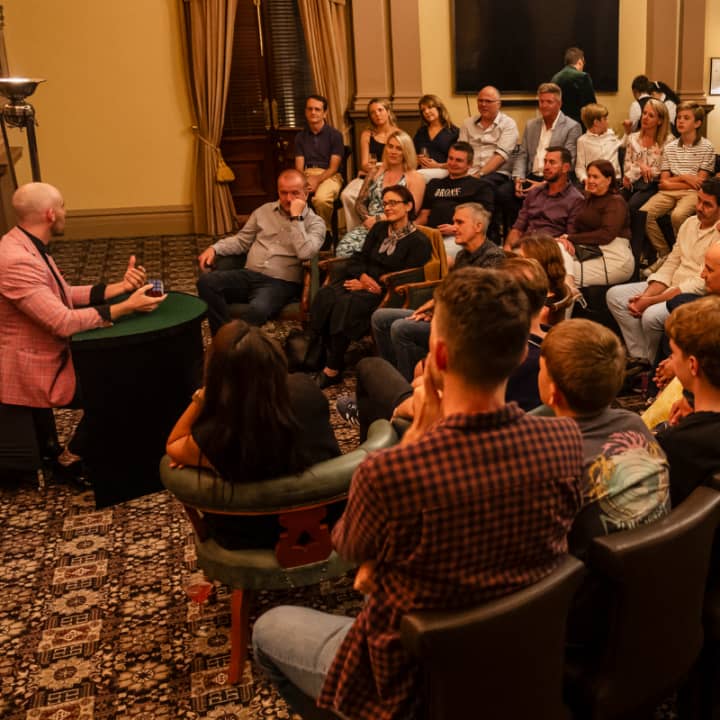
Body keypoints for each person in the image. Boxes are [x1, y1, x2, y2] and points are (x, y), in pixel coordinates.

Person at [252, 268, 584, 720]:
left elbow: (348, 547)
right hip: (519, 660)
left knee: (268, 630)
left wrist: (419, 436)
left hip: (409, 682)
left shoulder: (390, 473)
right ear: (520, 352)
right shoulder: (564, 440)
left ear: (439, 355)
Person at [0, 182, 165, 474]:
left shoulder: (25, 243)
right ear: (51, 214)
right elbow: (62, 321)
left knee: (124, 368)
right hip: (32, 367)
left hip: (50, 352)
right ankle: (72, 456)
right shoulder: (16, 260)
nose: (66, 212)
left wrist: (120, 288)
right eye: (63, 206)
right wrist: (128, 306)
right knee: (121, 383)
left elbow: (62, 294)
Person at [166, 319, 340, 549]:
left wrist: (202, 396)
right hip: (325, 519)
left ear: (216, 374)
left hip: (253, 537)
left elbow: (174, 444)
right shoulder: (307, 389)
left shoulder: (215, 434)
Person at [538, 319, 670, 559]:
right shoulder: (634, 423)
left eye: (541, 369)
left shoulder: (553, 458)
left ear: (553, 392)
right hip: (662, 561)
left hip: (592, 575)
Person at [308, 185, 431, 388]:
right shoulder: (379, 229)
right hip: (362, 280)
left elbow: (406, 277)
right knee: (327, 294)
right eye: (385, 203)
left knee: (346, 304)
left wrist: (371, 285)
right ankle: (317, 354)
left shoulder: (419, 241)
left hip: (385, 291)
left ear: (409, 206)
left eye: (393, 203)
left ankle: (332, 368)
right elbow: (360, 257)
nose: (387, 208)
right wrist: (363, 277)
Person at [372, 201, 505, 381]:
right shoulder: (462, 255)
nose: (454, 227)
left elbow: (478, 302)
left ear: (478, 227)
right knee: (380, 317)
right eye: (454, 222)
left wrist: (439, 311)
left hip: (466, 326)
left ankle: (408, 386)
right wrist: (434, 308)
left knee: (400, 327)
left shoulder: (493, 257)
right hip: (447, 315)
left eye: (459, 222)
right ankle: (392, 377)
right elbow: (451, 290)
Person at [606, 179, 720, 365]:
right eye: (699, 200)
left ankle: (653, 364)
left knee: (651, 315)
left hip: (693, 295)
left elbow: (700, 284)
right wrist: (646, 295)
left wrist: (651, 300)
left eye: (707, 204)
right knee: (615, 296)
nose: (699, 207)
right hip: (671, 283)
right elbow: (671, 262)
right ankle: (642, 356)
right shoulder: (689, 223)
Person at [196, 169, 325, 334]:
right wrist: (215, 248)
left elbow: (305, 253)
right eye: (283, 193)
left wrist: (296, 219)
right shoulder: (263, 211)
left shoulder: (315, 223)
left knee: (258, 309)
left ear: (306, 193)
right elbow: (241, 241)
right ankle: (223, 338)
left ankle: (231, 341)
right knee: (206, 282)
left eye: (295, 193)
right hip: (249, 274)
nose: (289, 199)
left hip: (280, 283)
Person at [657, 295, 720, 505]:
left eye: (673, 354)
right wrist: (692, 400)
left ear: (693, 365)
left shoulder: (676, 443)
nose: (671, 362)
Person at [639, 102, 715, 265]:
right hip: (670, 192)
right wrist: (686, 178)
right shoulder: (670, 147)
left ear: (697, 123)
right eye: (679, 117)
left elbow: (700, 183)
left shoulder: (707, 147)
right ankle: (665, 253)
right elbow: (663, 183)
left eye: (686, 118)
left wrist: (674, 181)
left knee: (677, 215)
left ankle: (685, 253)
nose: (680, 121)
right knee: (644, 213)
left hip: (692, 193)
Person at [335, 130, 424, 257]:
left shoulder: (415, 177)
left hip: (394, 229)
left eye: (399, 148)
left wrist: (379, 219)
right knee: (343, 249)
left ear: (406, 152)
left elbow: (411, 211)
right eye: (390, 146)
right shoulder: (375, 171)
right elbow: (360, 202)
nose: (393, 151)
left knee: (369, 255)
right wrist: (368, 219)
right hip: (369, 225)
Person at [557, 159, 635, 288]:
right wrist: (566, 240)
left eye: (595, 177)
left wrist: (571, 238)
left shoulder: (616, 202)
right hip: (590, 251)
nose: (590, 180)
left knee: (557, 274)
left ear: (608, 180)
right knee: (553, 254)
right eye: (589, 176)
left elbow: (606, 235)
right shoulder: (588, 199)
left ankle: (569, 297)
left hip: (614, 258)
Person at [415, 141, 495, 259]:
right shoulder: (434, 184)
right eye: (450, 158)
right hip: (431, 234)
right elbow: (424, 215)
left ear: (470, 164)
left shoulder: (480, 187)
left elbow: (484, 219)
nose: (453, 163)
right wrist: (411, 228)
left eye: (459, 160)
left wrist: (456, 228)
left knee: (438, 257)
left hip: (459, 236)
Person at [458, 85, 519, 231]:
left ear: (498, 104)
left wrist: (479, 174)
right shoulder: (468, 123)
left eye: (488, 101)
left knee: (481, 186)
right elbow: (461, 151)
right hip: (469, 171)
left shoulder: (508, 124)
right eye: (480, 101)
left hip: (497, 173)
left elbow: (501, 156)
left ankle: (488, 231)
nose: (483, 104)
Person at [620, 98, 673, 264]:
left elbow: (661, 170)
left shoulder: (668, 141)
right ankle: (623, 250)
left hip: (654, 185)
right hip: (633, 183)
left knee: (633, 206)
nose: (645, 118)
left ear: (660, 120)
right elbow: (627, 166)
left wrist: (641, 169)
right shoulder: (633, 138)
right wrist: (641, 168)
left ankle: (638, 252)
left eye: (651, 115)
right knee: (618, 203)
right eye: (644, 113)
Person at [505, 146, 584, 250]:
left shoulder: (576, 200)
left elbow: (570, 237)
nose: (546, 167)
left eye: (552, 162)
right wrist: (508, 248)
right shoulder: (534, 193)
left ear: (565, 167)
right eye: (545, 161)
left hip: (551, 249)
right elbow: (518, 228)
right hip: (525, 245)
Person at [512, 83, 582, 196]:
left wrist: (544, 184)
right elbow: (522, 155)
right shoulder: (531, 125)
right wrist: (518, 179)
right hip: (530, 176)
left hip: (553, 180)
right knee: (504, 194)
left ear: (559, 104)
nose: (544, 105)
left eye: (549, 102)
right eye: (541, 101)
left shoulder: (572, 127)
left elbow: (568, 162)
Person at [341, 98, 398, 232]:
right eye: (373, 112)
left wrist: (380, 167)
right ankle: (357, 229)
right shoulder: (367, 134)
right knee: (346, 195)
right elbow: (364, 164)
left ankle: (377, 227)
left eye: (380, 110)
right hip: (369, 175)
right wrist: (373, 168)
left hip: (390, 176)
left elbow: (401, 162)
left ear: (388, 112)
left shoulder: (398, 134)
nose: (377, 114)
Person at [294, 94, 344, 230]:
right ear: (305, 112)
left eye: (317, 109)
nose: (313, 112)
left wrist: (316, 180)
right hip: (306, 174)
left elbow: (333, 168)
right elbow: (299, 168)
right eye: (310, 109)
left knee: (321, 200)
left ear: (325, 113)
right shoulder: (300, 137)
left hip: (329, 175)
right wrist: (305, 181)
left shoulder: (335, 135)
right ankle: (299, 233)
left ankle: (324, 232)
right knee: (291, 198)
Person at [517, 233, 573, 325]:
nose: (518, 263)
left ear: (539, 263)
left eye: (523, 259)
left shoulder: (543, 308)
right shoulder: (549, 287)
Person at [413, 94, 459, 180]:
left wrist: (437, 165)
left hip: (444, 172)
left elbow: (458, 162)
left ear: (439, 108)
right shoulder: (421, 132)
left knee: (415, 176)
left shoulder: (453, 132)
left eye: (430, 107)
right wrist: (417, 159)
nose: (426, 112)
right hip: (422, 171)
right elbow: (412, 154)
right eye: (423, 110)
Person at [551, 47, 597, 127]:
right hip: (579, 125)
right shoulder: (583, 77)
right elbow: (591, 106)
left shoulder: (555, 78)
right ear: (580, 62)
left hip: (559, 125)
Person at [575, 103, 621, 184]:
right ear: (596, 122)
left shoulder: (611, 135)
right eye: (605, 119)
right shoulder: (582, 141)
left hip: (614, 181)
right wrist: (585, 179)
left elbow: (624, 145)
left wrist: (628, 132)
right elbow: (580, 167)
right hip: (595, 182)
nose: (608, 122)